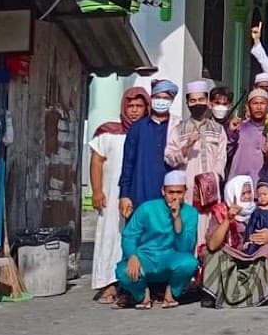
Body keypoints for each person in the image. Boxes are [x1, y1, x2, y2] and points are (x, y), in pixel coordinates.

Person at [89, 87, 148, 302]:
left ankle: (131, 283)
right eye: (130, 106)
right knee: (109, 236)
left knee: (136, 237)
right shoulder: (109, 131)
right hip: (111, 193)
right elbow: (97, 160)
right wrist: (96, 191)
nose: (134, 111)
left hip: (140, 192)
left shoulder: (149, 131)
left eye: (139, 106)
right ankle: (107, 283)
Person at [114, 169, 200, 309]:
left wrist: (177, 218)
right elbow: (129, 235)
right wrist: (132, 256)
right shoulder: (146, 209)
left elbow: (186, 247)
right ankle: (142, 295)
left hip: (171, 258)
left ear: (185, 192)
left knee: (190, 263)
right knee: (123, 272)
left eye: (179, 192)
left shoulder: (191, 213)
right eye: (170, 192)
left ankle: (171, 294)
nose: (174, 197)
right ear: (163, 191)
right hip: (146, 257)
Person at [164, 79, 230, 243]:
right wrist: (186, 147)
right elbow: (169, 158)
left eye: (201, 99)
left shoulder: (218, 129)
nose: (197, 103)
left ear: (207, 101)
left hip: (211, 189)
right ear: (187, 103)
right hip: (188, 188)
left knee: (210, 229)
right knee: (188, 230)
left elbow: (222, 157)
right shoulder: (178, 129)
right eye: (193, 100)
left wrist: (213, 178)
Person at [201, 175, 268, 308]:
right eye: (243, 193)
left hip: (251, 255)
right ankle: (213, 294)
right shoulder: (220, 211)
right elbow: (213, 244)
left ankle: (259, 294)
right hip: (229, 257)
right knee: (212, 252)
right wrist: (228, 219)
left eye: (249, 192)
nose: (248, 197)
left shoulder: (260, 209)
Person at [118, 79, 176, 225]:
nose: (161, 101)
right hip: (139, 195)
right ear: (151, 99)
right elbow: (128, 164)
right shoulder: (138, 128)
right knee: (137, 241)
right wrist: (124, 195)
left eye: (166, 98)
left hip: (168, 198)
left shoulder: (177, 127)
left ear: (172, 100)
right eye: (158, 97)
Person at [228, 88, 268, 188]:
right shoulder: (240, 127)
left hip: (263, 189)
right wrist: (232, 133)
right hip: (239, 187)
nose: (259, 107)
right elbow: (227, 152)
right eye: (255, 103)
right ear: (248, 106)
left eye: (262, 103)